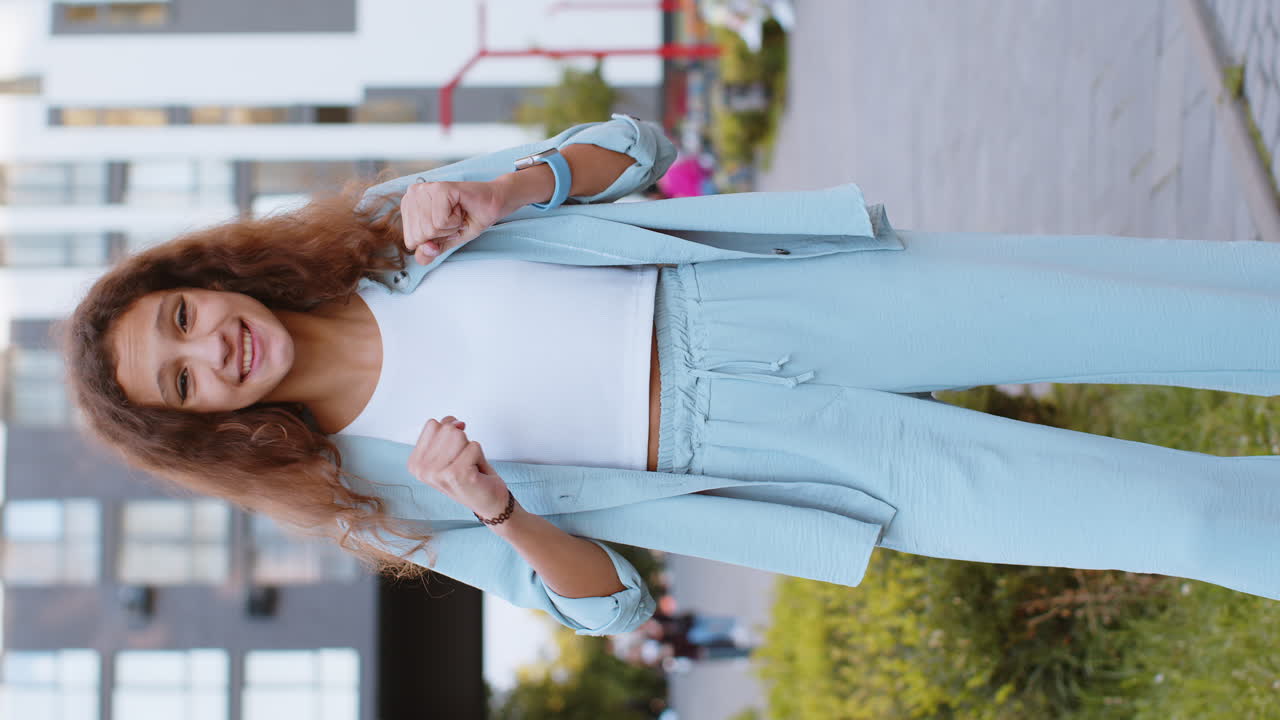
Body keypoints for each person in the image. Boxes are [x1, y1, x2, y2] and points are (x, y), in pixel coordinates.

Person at [65, 114, 1280, 638]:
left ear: (211, 276)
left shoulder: (383, 230)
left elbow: (636, 151)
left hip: (772, 298)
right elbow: (606, 608)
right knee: (1169, 518)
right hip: (761, 461)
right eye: (183, 381)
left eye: (182, 316)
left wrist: (505, 191)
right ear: (207, 425)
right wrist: (498, 510)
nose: (207, 348)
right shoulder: (367, 497)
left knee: (1148, 305)